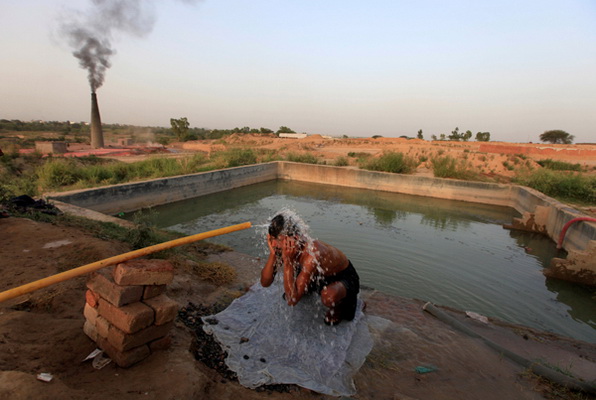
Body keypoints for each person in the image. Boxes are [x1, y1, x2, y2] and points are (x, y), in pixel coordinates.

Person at [260, 213, 360, 325]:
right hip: (314, 275)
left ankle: (342, 304)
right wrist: (273, 254)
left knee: (329, 297)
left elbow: (292, 301)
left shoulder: (313, 253)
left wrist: (288, 261)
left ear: (295, 239)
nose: (274, 244)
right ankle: (306, 288)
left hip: (341, 276)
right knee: (291, 291)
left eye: (278, 240)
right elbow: (265, 282)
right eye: (272, 239)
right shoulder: (282, 246)